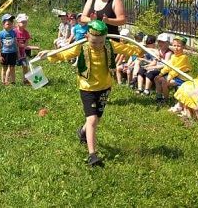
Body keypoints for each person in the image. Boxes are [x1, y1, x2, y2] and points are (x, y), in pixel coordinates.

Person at [36, 20, 141, 167]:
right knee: (92, 120)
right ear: (87, 36)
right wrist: (50, 54)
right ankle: (92, 155)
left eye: (100, 42)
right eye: (94, 42)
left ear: (105, 39)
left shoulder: (109, 45)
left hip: (105, 87)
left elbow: (127, 50)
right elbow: (64, 54)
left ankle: (82, 131)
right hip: (87, 88)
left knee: (96, 119)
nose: (97, 45)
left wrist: (144, 50)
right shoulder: (81, 46)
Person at [154, 36, 191, 106]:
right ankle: (159, 97)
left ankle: (166, 100)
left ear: (183, 47)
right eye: (174, 45)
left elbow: (176, 70)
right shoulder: (174, 56)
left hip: (182, 78)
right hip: (174, 76)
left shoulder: (183, 57)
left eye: (179, 46)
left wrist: (169, 77)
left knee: (165, 82)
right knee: (157, 78)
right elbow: (168, 66)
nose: (176, 48)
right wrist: (161, 74)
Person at [0, 14, 18, 85]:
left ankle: (13, 81)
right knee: (4, 68)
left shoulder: (14, 32)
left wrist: (17, 53)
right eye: (8, 23)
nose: (10, 25)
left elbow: (15, 43)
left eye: (11, 23)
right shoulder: (1, 33)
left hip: (12, 53)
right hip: (4, 53)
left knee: (12, 68)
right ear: (3, 24)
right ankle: (3, 81)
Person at [15, 13, 31, 85]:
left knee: (25, 66)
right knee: (11, 66)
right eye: (22, 22)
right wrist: (19, 45)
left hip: (22, 52)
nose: (24, 24)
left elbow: (27, 42)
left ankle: (25, 79)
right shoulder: (14, 31)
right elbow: (14, 41)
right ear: (17, 23)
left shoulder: (26, 32)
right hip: (14, 52)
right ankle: (9, 80)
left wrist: (24, 47)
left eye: (25, 22)